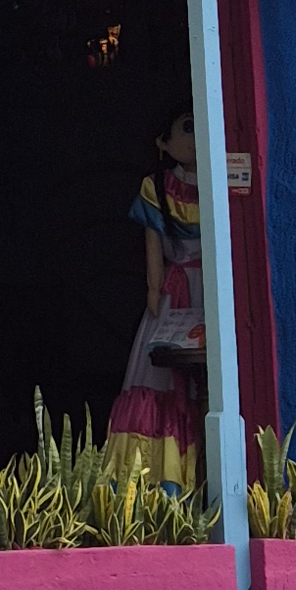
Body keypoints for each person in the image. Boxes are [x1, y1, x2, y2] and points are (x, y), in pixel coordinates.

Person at [107, 105, 205, 480]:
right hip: (174, 293)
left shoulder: (221, 179)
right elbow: (153, 248)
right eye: (187, 128)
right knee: (161, 377)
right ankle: (163, 475)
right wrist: (153, 289)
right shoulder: (156, 187)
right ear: (163, 143)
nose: (196, 138)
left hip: (210, 292)